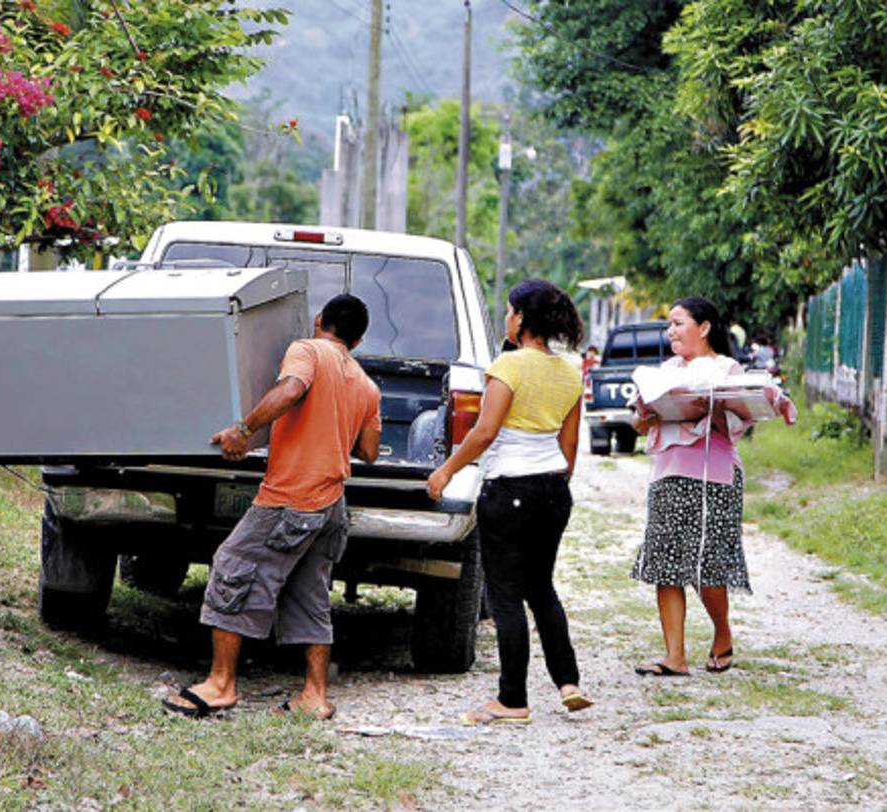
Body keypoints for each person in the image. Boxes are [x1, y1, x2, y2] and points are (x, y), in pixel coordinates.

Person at [162, 294, 381, 720]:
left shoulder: (307, 350)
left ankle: (221, 685)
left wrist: (244, 429)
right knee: (310, 591)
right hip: (332, 503)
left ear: (320, 321)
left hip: (292, 497)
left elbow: (293, 388)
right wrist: (338, 418)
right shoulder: (366, 384)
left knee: (233, 565)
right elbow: (369, 450)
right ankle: (314, 696)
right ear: (357, 340)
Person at [427, 278, 593, 724]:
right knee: (542, 588)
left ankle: (512, 699)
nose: (506, 318)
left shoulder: (508, 366)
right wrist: (554, 487)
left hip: (510, 488)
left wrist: (446, 471)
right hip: (554, 488)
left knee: (504, 596)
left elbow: (484, 431)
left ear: (520, 317)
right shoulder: (570, 371)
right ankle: (568, 682)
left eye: (508, 311)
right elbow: (570, 445)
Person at [630, 297, 795, 676]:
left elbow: (741, 419)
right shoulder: (663, 372)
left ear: (703, 328)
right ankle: (675, 656)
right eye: (668, 325)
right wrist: (650, 412)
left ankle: (722, 634)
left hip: (714, 477)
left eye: (678, 323)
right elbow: (640, 423)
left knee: (709, 564)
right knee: (664, 562)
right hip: (668, 474)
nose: (671, 331)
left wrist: (710, 405)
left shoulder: (726, 368)